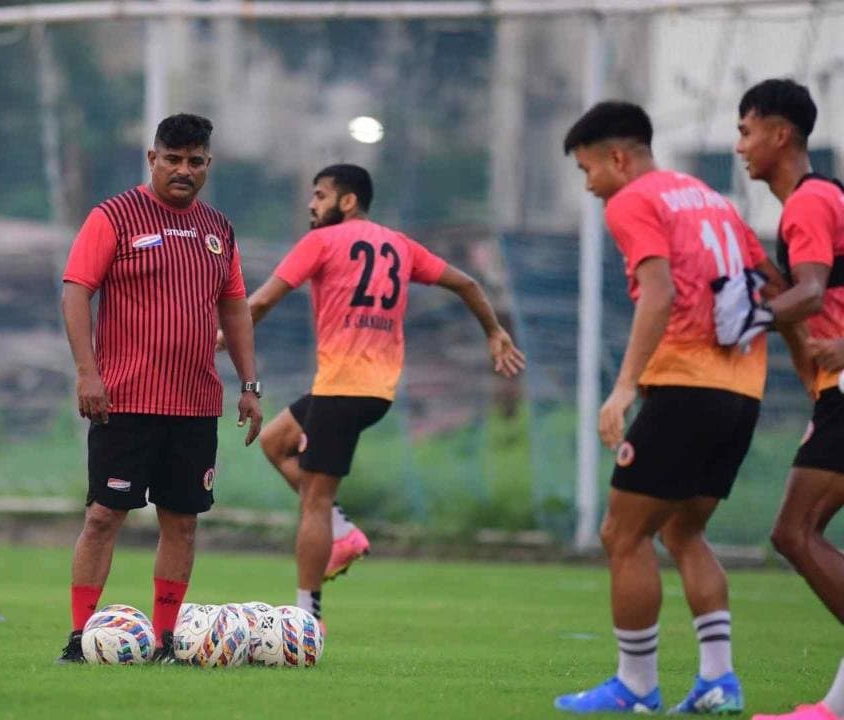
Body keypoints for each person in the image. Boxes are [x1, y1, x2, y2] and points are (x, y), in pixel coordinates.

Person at [554, 101, 786, 714]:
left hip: (685, 385)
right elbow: (773, 283)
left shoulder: (633, 200)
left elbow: (659, 292)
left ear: (618, 158)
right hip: (742, 390)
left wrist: (625, 386)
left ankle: (634, 687)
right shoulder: (714, 200)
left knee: (621, 533)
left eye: (588, 170)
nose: (590, 185)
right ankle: (718, 682)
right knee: (685, 530)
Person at [223, 164, 525, 623]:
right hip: (376, 391)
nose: (311, 204)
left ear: (347, 201)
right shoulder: (399, 245)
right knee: (275, 441)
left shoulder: (320, 242)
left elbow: (262, 301)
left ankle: (308, 616)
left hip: (343, 388)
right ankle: (342, 532)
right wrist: (494, 332)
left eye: (320, 195)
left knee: (316, 501)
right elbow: (467, 283)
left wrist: (222, 338)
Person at [55, 113, 262, 663]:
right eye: (172, 159)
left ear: (208, 166)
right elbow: (77, 292)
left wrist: (250, 384)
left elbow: (236, 306)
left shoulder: (218, 229)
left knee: (183, 522)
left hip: (195, 405)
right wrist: (87, 372)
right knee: (103, 516)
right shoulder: (114, 216)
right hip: (124, 399)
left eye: (195, 161)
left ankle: (167, 640)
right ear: (153, 159)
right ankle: (80, 638)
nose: (183, 170)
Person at [735, 79, 844, 720]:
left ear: (780, 134)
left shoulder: (809, 203)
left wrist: (739, 323)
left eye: (746, 131)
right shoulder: (816, 202)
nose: (740, 145)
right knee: (801, 534)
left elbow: (808, 295)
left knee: (795, 532)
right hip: (834, 392)